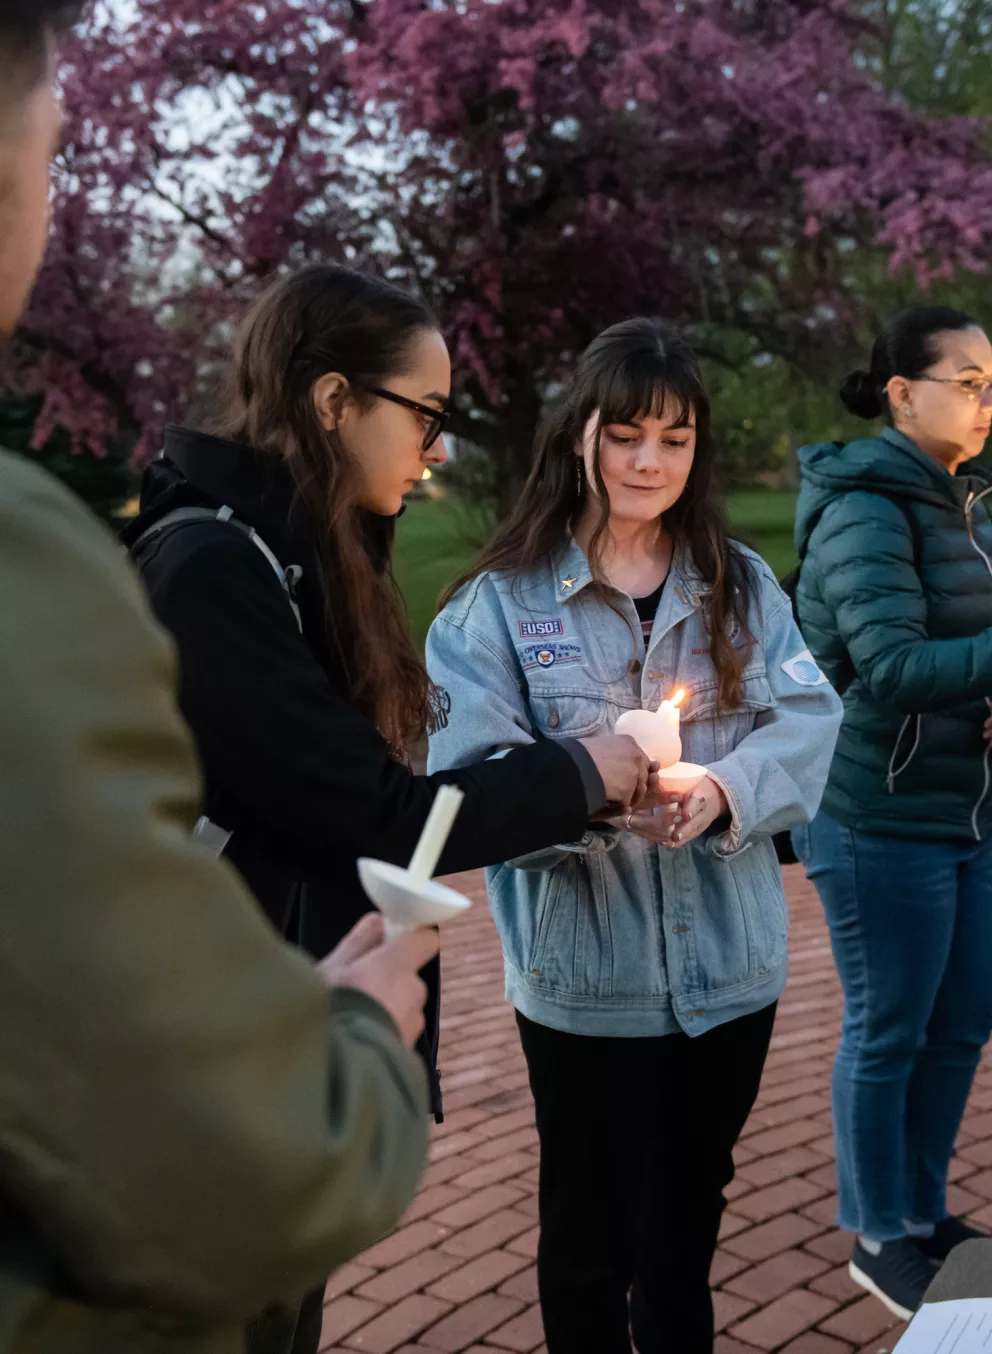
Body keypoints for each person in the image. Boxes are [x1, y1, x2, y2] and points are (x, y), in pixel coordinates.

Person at [0, 3, 445, 1350]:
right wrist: (353, 1044)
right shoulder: (158, 566)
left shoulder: (309, 558)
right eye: (55, 145)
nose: (435, 450)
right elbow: (240, 1171)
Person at [121, 266, 655, 1349]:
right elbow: (377, 815)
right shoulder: (214, 568)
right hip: (209, 1071)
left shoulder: (291, 554)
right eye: (426, 413)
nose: (438, 448)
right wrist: (580, 770)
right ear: (331, 401)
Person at [425, 317, 843, 1354]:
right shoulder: (497, 607)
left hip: (730, 976)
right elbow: (463, 789)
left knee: (684, 1233)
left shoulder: (739, 583)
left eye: (674, 438)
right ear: (580, 436)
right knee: (588, 1240)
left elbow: (810, 718)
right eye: (625, 435)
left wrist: (721, 790)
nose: (648, 461)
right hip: (586, 992)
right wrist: (587, 794)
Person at [792, 306, 992, 1320]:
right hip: (874, 815)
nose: (985, 399)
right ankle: (878, 1235)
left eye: (989, 381)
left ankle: (920, 1210)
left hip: (963, 814)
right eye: (966, 379)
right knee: (888, 1029)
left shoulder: (964, 503)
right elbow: (894, 668)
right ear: (898, 393)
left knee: (958, 1023)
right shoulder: (862, 509)